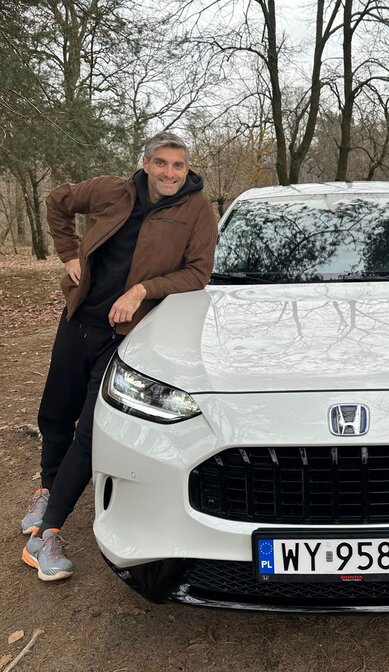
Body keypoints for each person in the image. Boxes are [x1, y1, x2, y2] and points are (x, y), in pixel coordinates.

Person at [21, 131, 218, 581]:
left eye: (179, 165)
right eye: (162, 163)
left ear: (187, 170)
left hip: (126, 334)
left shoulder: (196, 210)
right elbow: (57, 200)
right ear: (146, 162)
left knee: (90, 430)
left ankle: (47, 533)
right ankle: (47, 489)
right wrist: (68, 252)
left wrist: (143, 290)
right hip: (78, 319)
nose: (170, 173)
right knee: (55, 413)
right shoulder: (112, 190)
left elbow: (198, 272)